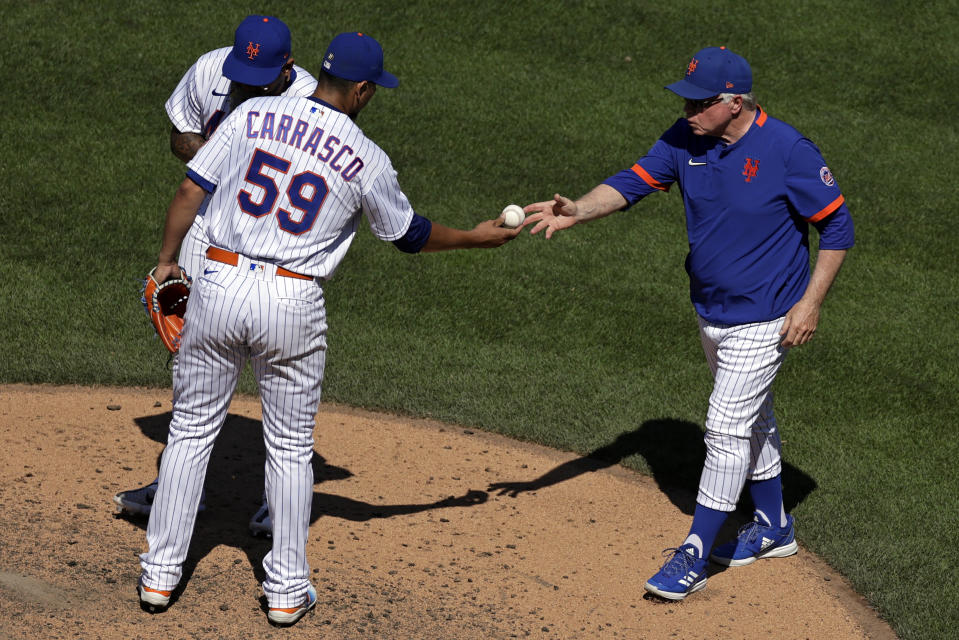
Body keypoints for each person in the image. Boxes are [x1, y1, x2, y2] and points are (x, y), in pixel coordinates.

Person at [137, 32, 520, 626]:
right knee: (290, 449)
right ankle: (287, 591)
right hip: (292, 299)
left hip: (218, 278)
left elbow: (192, 185)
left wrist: (167, 261)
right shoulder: (366, 156)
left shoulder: (256, 111)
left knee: (189, 430)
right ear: (364, 89)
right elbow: (410, 236)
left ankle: (159, 578)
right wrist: (477, 236)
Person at [522, 46, 854, 601]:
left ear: (735, 103)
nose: (689, 111)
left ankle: (695, 552)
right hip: (711, 312)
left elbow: (837, 227)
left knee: (725, 426)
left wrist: (811, 303)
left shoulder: (787, 151)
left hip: (767, 316)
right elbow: (632, 182)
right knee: (753, 418)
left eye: (700, 103)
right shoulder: (685, 139)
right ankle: (774, 528)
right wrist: (577, 210)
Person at [114, 14, 317, 538]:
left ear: (287, 67)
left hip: (272, 248)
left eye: (260, 77)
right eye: (240, 74)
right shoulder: (212, 69)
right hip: (208, 234)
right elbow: (180, 136)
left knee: (279, 380)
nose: (245, 86)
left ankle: (281, 504)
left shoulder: (311, 103)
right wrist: (213, 157)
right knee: (191, 363)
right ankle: (180, 488)